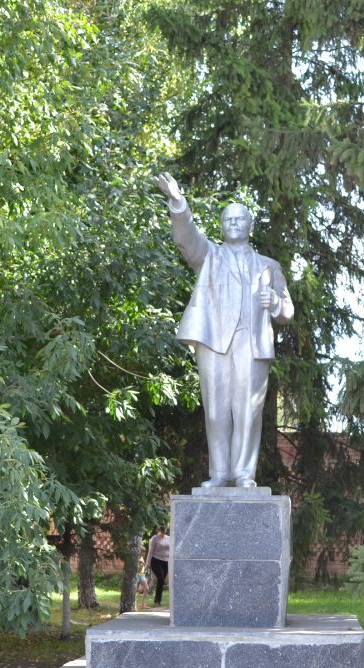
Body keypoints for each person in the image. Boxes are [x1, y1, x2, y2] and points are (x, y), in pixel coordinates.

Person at [156, 173, 294, 488]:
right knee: (217, 412)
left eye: (239, 219)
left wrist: (274, 301)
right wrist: (178, 204)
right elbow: (187, 239)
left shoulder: (268, 266)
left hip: (252, 342)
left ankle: (244, 473)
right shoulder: (210, 257)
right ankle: (219, 474)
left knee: (248, 412)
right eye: (227, 219)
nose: (233, 223)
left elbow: (287, 311)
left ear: (250, 226)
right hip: (214, 341)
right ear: (221, 226)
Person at [144, 529, 171, 607]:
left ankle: (157, 599)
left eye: (165, 528)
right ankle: (157, 601)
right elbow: (150, 552)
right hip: (156, 561)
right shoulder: (155, 538)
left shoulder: (169, 538)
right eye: (162, 528)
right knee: (161, 579)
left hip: (166, 562)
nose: (164, 530)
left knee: (162, 581)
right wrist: (147, 564)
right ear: (158, 529)